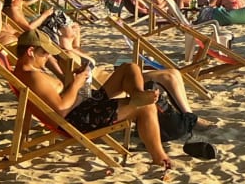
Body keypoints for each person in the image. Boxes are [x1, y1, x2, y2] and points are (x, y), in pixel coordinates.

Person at [10, 29, 173, 170]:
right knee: (145, 108)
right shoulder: (32, 76)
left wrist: (77, 84)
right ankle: (160, 158)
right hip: (81, 118)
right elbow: (61, 109)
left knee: (128, 68)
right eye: (43, 53)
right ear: (30, 51)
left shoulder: (26, 72)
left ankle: (137, 93)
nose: (47, 58)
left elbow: (56, 101)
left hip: (83, 105)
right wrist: (77, 83)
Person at [51, 15, 204, 139]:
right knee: (169, 77)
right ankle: (192, 120)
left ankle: (190, 116)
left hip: (112, 80)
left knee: (174, 73)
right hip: (108, 87)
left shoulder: (72, 50)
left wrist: (75, 39)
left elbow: (79, 53)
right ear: (58, 31)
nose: (73, 25)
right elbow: (72, 80)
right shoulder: (65, 56)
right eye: (68, 24)